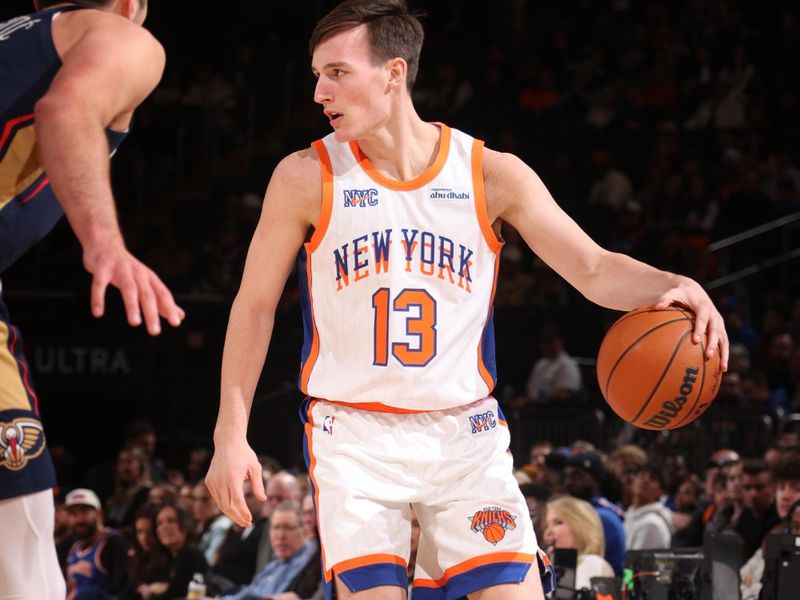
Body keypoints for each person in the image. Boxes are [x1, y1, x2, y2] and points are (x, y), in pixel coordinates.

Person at [204, 1, 728, 598]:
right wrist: (230, 432)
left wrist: (674, 285)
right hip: (353, 438)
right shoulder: (304, 175)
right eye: (317, 74)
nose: (321, 90)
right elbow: (253, 306)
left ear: (394, 73)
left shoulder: (489, 174)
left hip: (464, 436)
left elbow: (593, 268)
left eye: (338, 72)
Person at [0, 2, 184, 598]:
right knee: (23, 552)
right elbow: (67, 108)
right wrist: (105, 243)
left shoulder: (19, 42)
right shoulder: (120, 35)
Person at [64, 487, 131, 599]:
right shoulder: (73, 548)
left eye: (84, 512)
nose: (79, 519)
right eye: (73, 514)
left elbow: (120, 591)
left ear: (99, 513)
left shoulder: (113, 542)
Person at [543, 495, 615, 592]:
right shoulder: (545, 570)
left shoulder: (594, 564)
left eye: (558, 523)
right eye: (546, 526)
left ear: (580, 526)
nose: (548, 531)